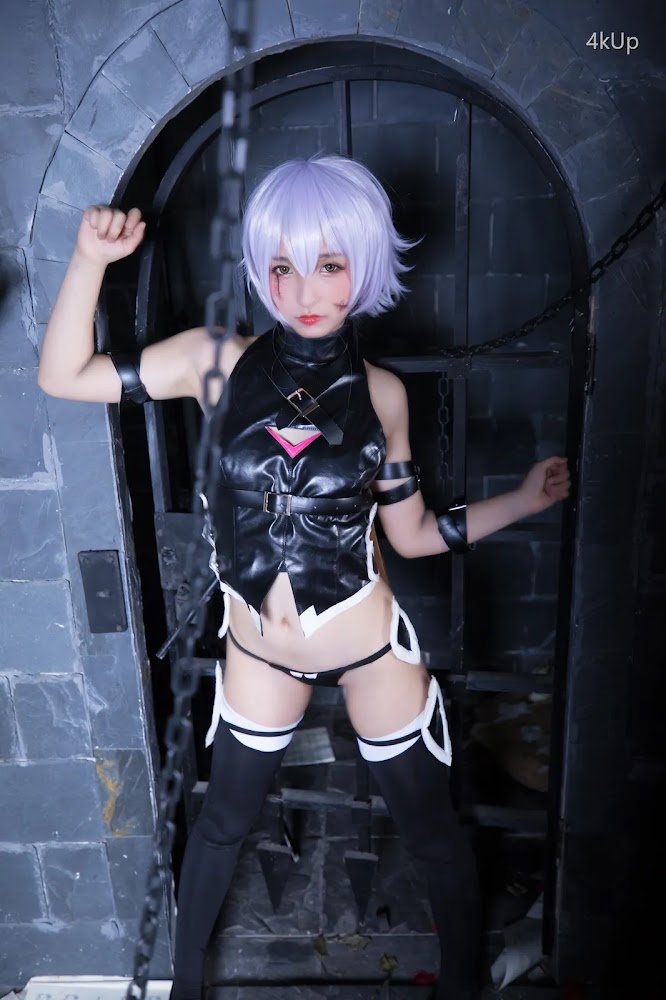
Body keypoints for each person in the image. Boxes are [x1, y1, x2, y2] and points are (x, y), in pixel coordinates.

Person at [38, 154, 570, 1000]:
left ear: (364, 264)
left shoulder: (383, 395)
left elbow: (413, 535)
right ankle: (183, 991)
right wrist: (88, 261)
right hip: (260, 652)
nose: (304, 290)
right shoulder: (213, 362)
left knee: (432, 835)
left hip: (371, 651)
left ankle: (461, 988)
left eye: (329, 264)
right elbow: (63, 376)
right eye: (282, 266)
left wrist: (521, 501)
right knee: (221, 826)